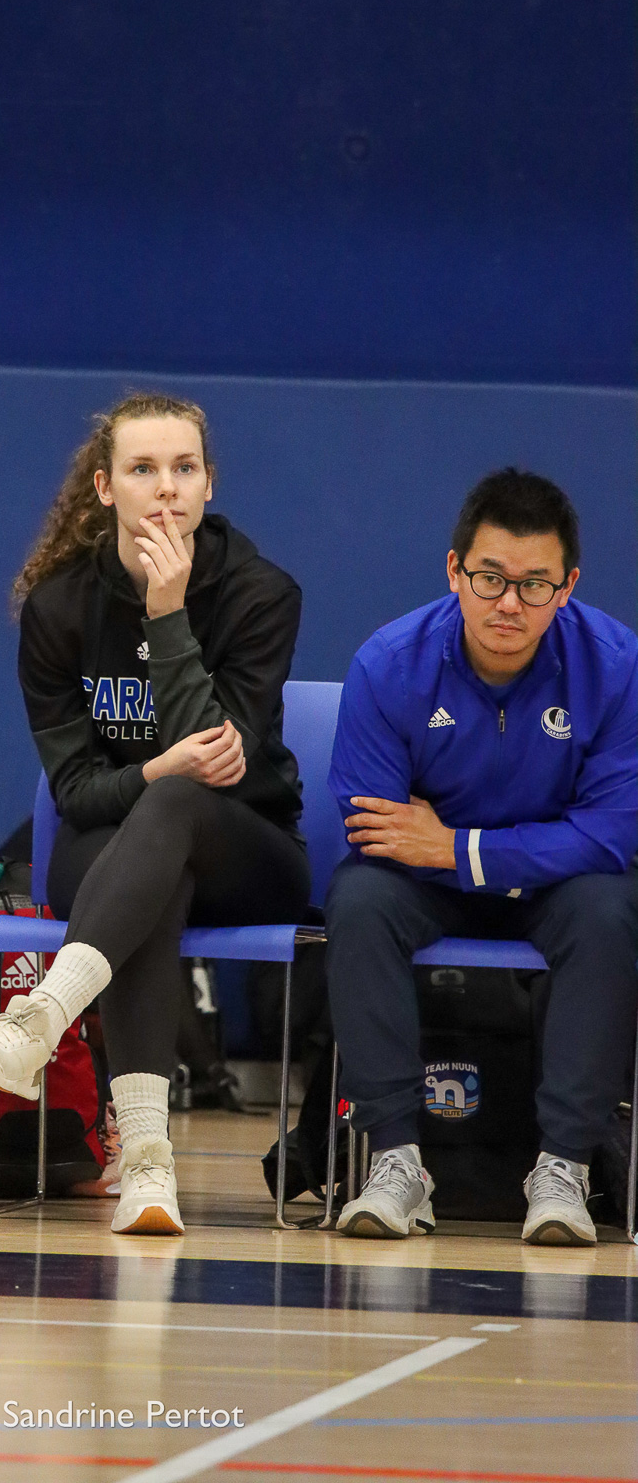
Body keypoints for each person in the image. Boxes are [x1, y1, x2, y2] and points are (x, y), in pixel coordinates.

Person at [0, 392, 311, 1234]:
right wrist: (154, 769)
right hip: (112, 846)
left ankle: (40, 1019)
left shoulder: (260, 594)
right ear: (105, 487)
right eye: (143, 469)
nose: (167, 487)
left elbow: (219, 768)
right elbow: (74, 791)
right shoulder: (58, 608)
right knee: (156, 867)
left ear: (210, 484)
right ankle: (147, 1167)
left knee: (179, 804)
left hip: (249, 849)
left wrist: (168, 613)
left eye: (185, 468)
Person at [326, 468, 638, 1246]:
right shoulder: (388, 663)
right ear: (454, 571)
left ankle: (565, 1168)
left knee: (610, 907)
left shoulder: (616, 665)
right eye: (490, 577)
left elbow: (611, 836)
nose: (508, 604)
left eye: (535, 585)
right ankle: (395, 1163)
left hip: (556, 888)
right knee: (359, 898)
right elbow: (375, 828)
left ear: (567, 588)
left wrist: (458, 846)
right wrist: (500, 853)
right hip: (432, 885)